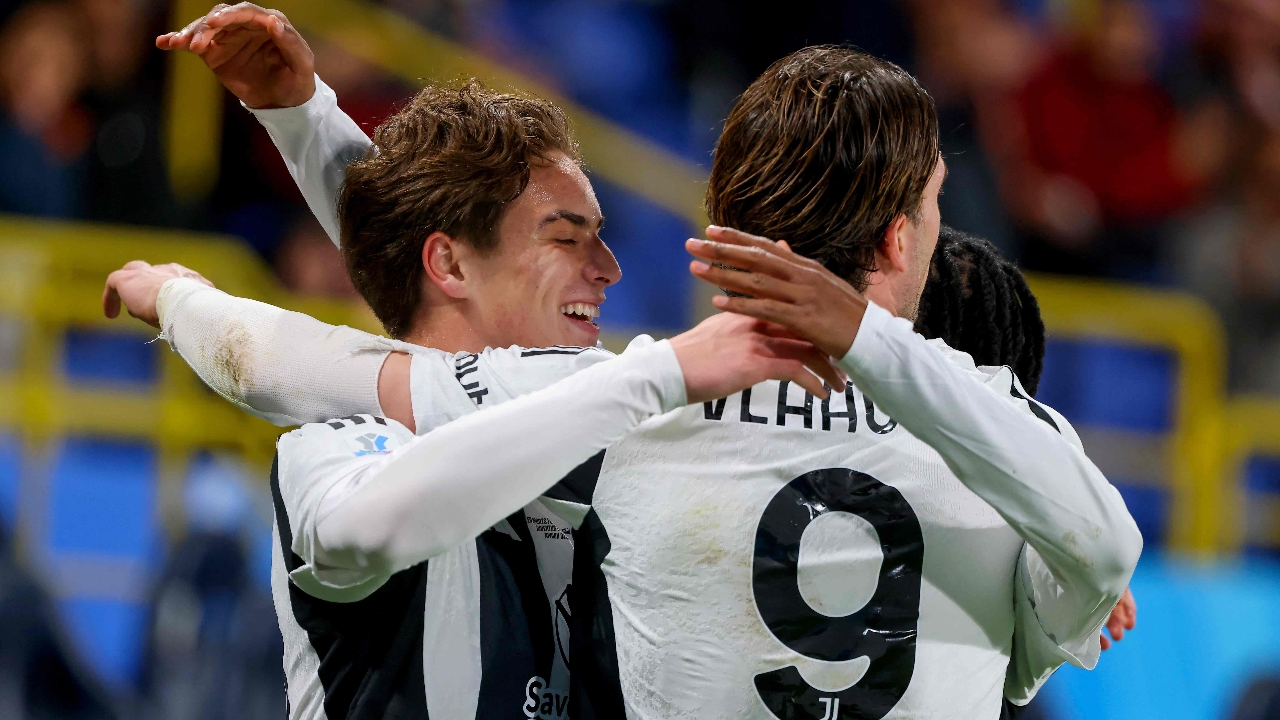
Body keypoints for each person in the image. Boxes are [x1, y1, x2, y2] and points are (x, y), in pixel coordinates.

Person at [117, 29, 1139, 720]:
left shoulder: (627, 404)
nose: (607, 270)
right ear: (896, 240)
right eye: (569, 238)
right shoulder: (1016, 458)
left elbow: (360, 350)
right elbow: (1097, 551)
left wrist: (181, 292)